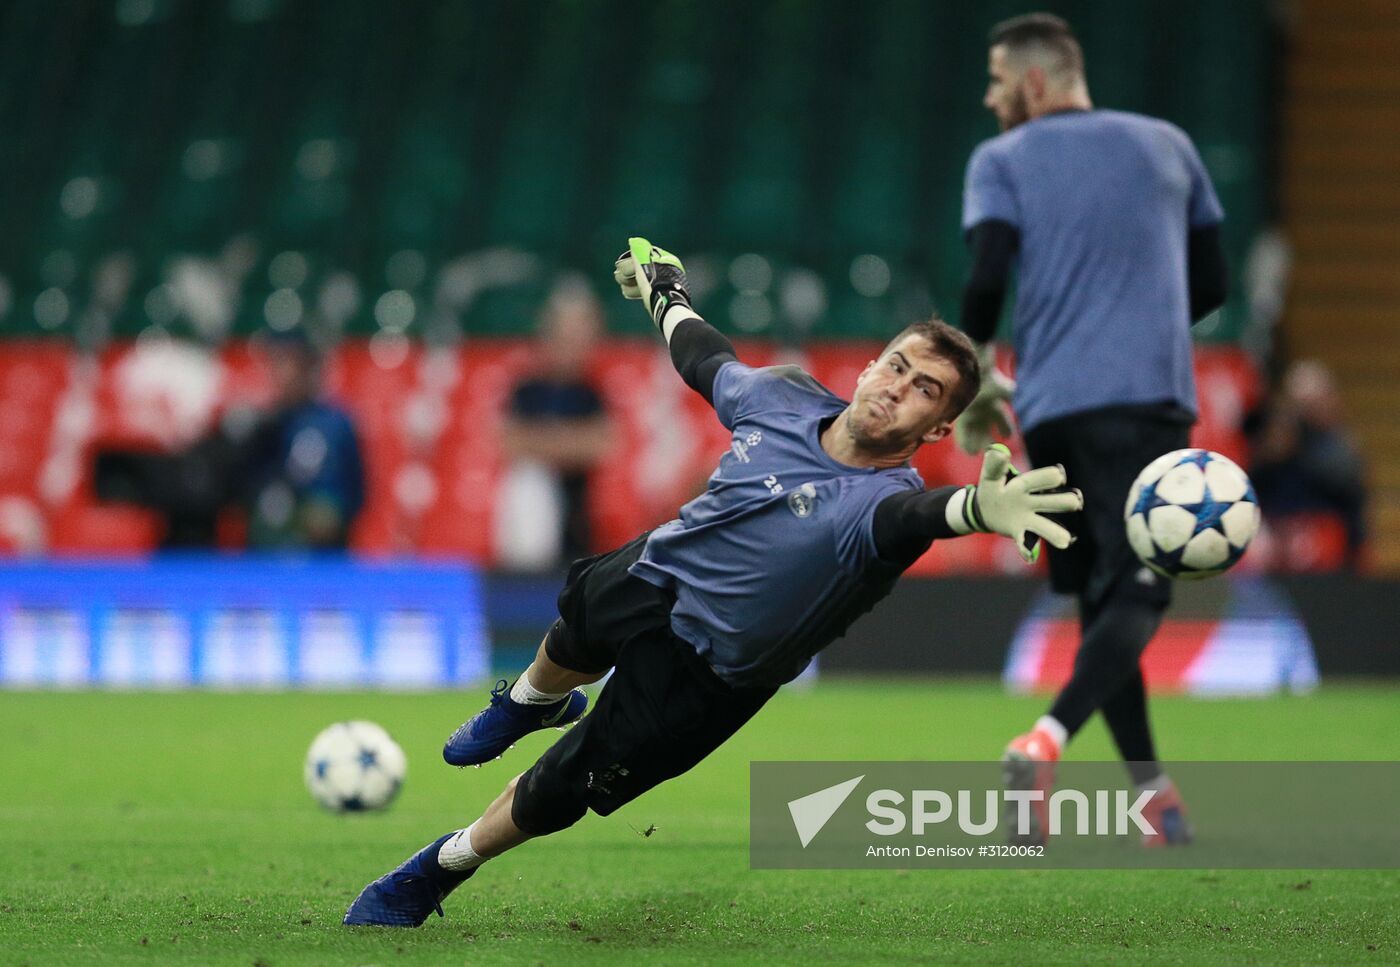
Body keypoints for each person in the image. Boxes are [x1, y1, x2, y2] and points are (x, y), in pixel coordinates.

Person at [342, 238, 1084, 927]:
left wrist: (980, 506)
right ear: (868, 365)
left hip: (709, 676)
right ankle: (532, 699)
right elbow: (703, 357)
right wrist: (666, 290)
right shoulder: (785, 396)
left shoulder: (885, 502)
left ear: (933, 430)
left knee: (562, 788)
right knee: (588, 603)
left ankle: (441, 865)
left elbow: (929, 514)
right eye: (896, 364)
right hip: (660, 575)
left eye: (926, 390)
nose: (898, 387)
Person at [955, 12, 1228, 845]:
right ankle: (1047, 739)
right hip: (1145, 397)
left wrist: (978, 382)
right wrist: (1141, 315)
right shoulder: (1168, 144)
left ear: (1036, 83)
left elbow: (986, 279)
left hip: (1053, 412)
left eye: (999, 80)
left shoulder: (1000, 160)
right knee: (1144, 586)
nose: (991, 95)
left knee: (1100, 598)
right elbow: (1211, 280)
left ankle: (1155, 796)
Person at [495, 281, 617, 570]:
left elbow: (603, 446)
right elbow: (509, 443)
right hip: (535, 524)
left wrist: (541, 442)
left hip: (579, 520)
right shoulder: (527, 389)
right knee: (529, 480)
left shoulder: (595, 391)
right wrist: (571, 442)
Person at [242, 330, 366, 550]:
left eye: (291, 361)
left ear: (310, 367)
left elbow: (355, 492)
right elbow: (246, 494)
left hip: (323, 558)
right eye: (277, 362)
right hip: (266, 556)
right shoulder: (261, 427)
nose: (283, 372)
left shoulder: (335, 424)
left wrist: (329, 510)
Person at [1247, 360, 1367, 568]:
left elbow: (1345, 485)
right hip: (1276, 533)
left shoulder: (1335, 440)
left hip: (1323, 537)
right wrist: (1272, 454)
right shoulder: (1275, 436)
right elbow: (1255, 485)